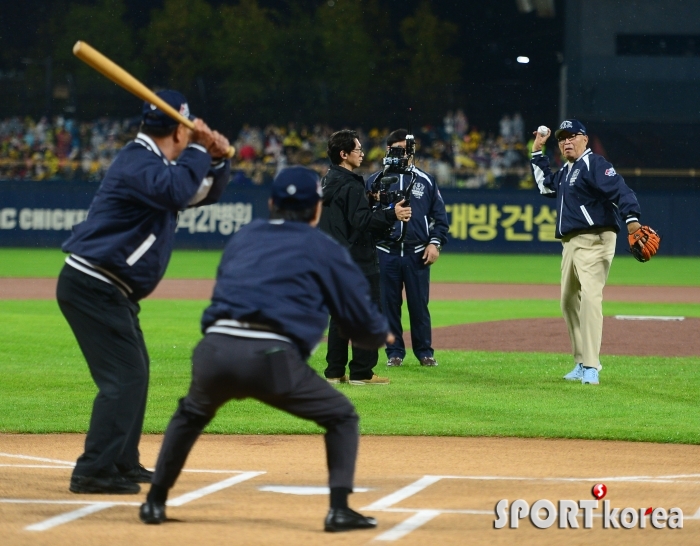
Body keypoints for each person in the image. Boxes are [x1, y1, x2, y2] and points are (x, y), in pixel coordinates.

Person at [139, 166, 391, 532]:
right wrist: (376, 335)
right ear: (316, 209)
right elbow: (358, 320)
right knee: (341, 416)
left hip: (215, 350)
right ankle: (339, 509)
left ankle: (154, 501)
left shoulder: (245, 236)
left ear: (272, 203)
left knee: (190, 414)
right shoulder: (324, 246)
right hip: (272, 358)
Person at [56, 90, 231, 494]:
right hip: (92, 284)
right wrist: (202, 147)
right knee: (125, 377)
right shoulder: (139, 162)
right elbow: (175, 190)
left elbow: (200, 191)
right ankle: (93, 471)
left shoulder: (156, 165)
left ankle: (120, 461)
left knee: (135, 372)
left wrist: (218, 159)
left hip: (107, 288)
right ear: (177, 130)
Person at [530, 119, 643, 385]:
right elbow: (546, 186)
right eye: (562, 139)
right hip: (570, 243)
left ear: (585, 139)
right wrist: (537, 152)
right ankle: (581, 361)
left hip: (596, 240)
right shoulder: (568, 170)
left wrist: (632, 219)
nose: (566, 142)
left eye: (572, 136)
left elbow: (620, 190)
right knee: (568, 301)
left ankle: (592, 366)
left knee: (590, 298)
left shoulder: (595, 164)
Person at [319, 129, 411, 385]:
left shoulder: (329, 180)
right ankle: (362, 372)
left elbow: (342, 214)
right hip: (356, 259)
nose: (361, 153)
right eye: (358, 149)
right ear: (344, 154)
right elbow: (362, 222)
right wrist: (393, 213)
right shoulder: (350, 184)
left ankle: (334, 373)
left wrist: (368, 198)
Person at [366, 129, 449, 367]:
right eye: (398, 149)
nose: (405, 153)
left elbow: (440, 218)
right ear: (388, 150)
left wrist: (435, 243)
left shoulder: (426, 180)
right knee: (388, 306)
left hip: (416, 253)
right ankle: (394, 352)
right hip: (385, 252)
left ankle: (425, 352)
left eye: (407, 148)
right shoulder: (375, 181)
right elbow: (365, 219)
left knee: (419, 306)